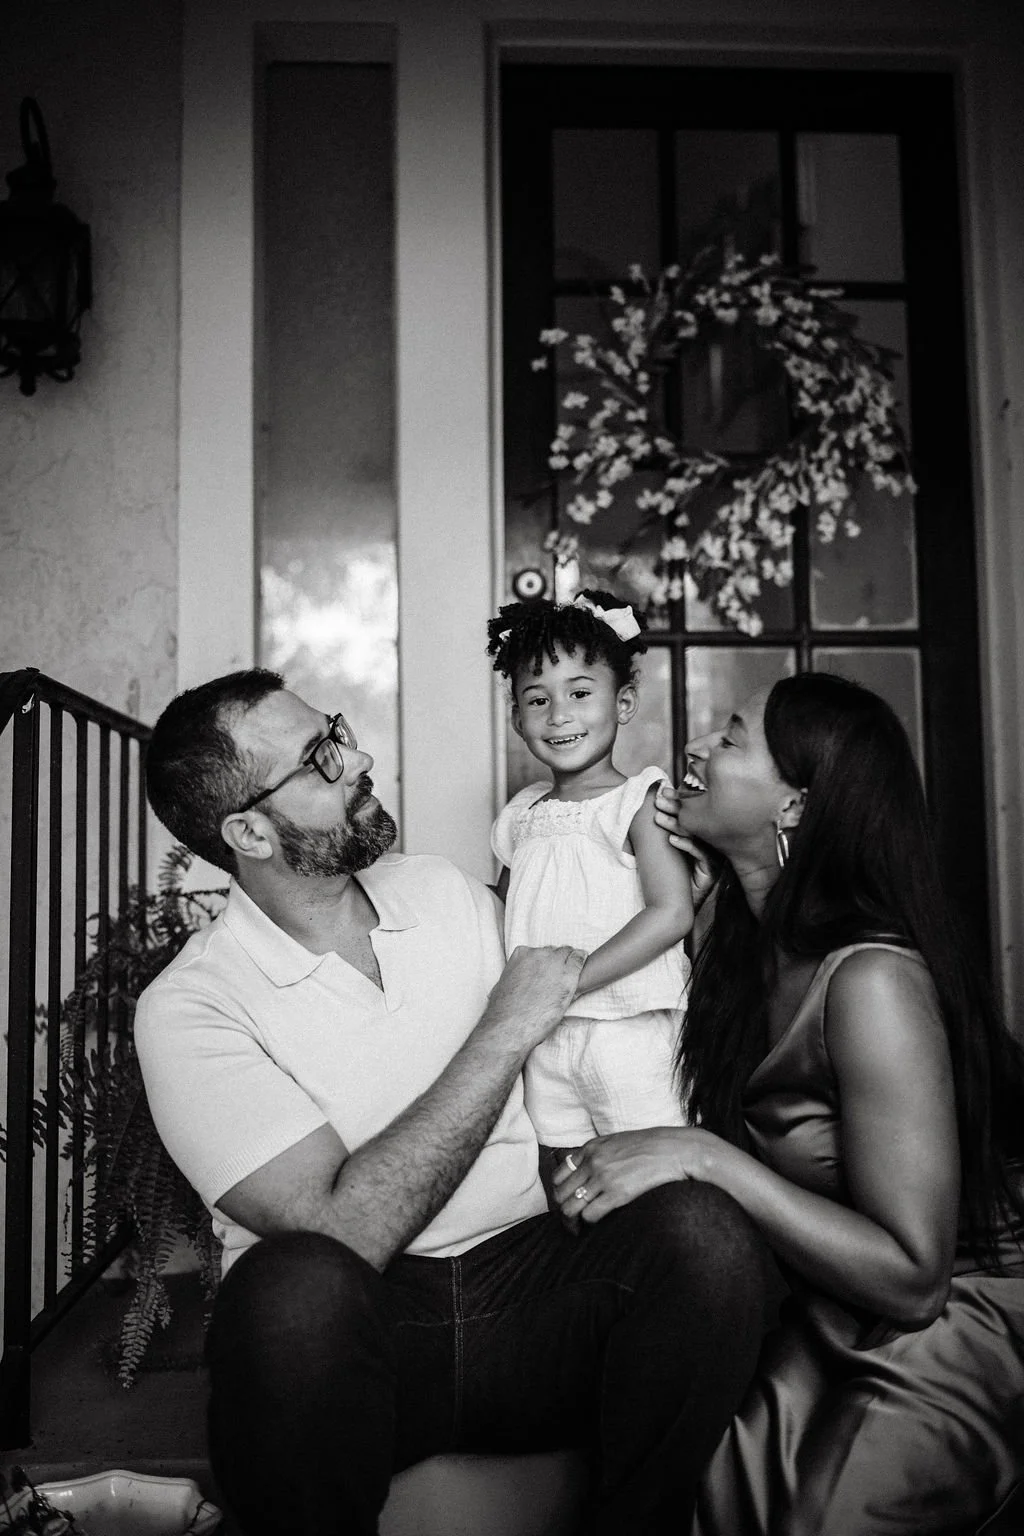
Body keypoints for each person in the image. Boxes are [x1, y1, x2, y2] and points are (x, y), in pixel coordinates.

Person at [133, 667, 768, 1536]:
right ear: (248, 830)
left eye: (339, 729)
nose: (359, 760)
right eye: (322, 758)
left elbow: (578, 996)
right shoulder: (190, 1005)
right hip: (369, 1333)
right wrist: (501, 1031)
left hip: (534, 1287)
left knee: (704, 1234)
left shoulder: (441, 891)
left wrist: (669, 896)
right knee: (290, 1289)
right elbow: (342, 1232)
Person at [551, 671, 1024, 1536]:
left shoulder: (872, 979)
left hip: (955, 1303)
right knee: (703, 1482)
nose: (692, 748)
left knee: (812, 1515)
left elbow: (916, 1277)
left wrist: (700, 1156)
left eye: (730, 739)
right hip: (824, 1296)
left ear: (796, 806)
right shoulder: (726, 940)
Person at [486, 591, 692, 1163]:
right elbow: (500, 917)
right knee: (565, 1177)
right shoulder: (521, 813)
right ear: (515, 718)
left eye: (580, 693)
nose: (559, 715)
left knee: (657, 1171)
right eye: (537, 700)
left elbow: (672, 911)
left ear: (623, 702)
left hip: (627, 1028)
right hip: (543, 1039)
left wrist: (568, 982)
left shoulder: (638, 798)